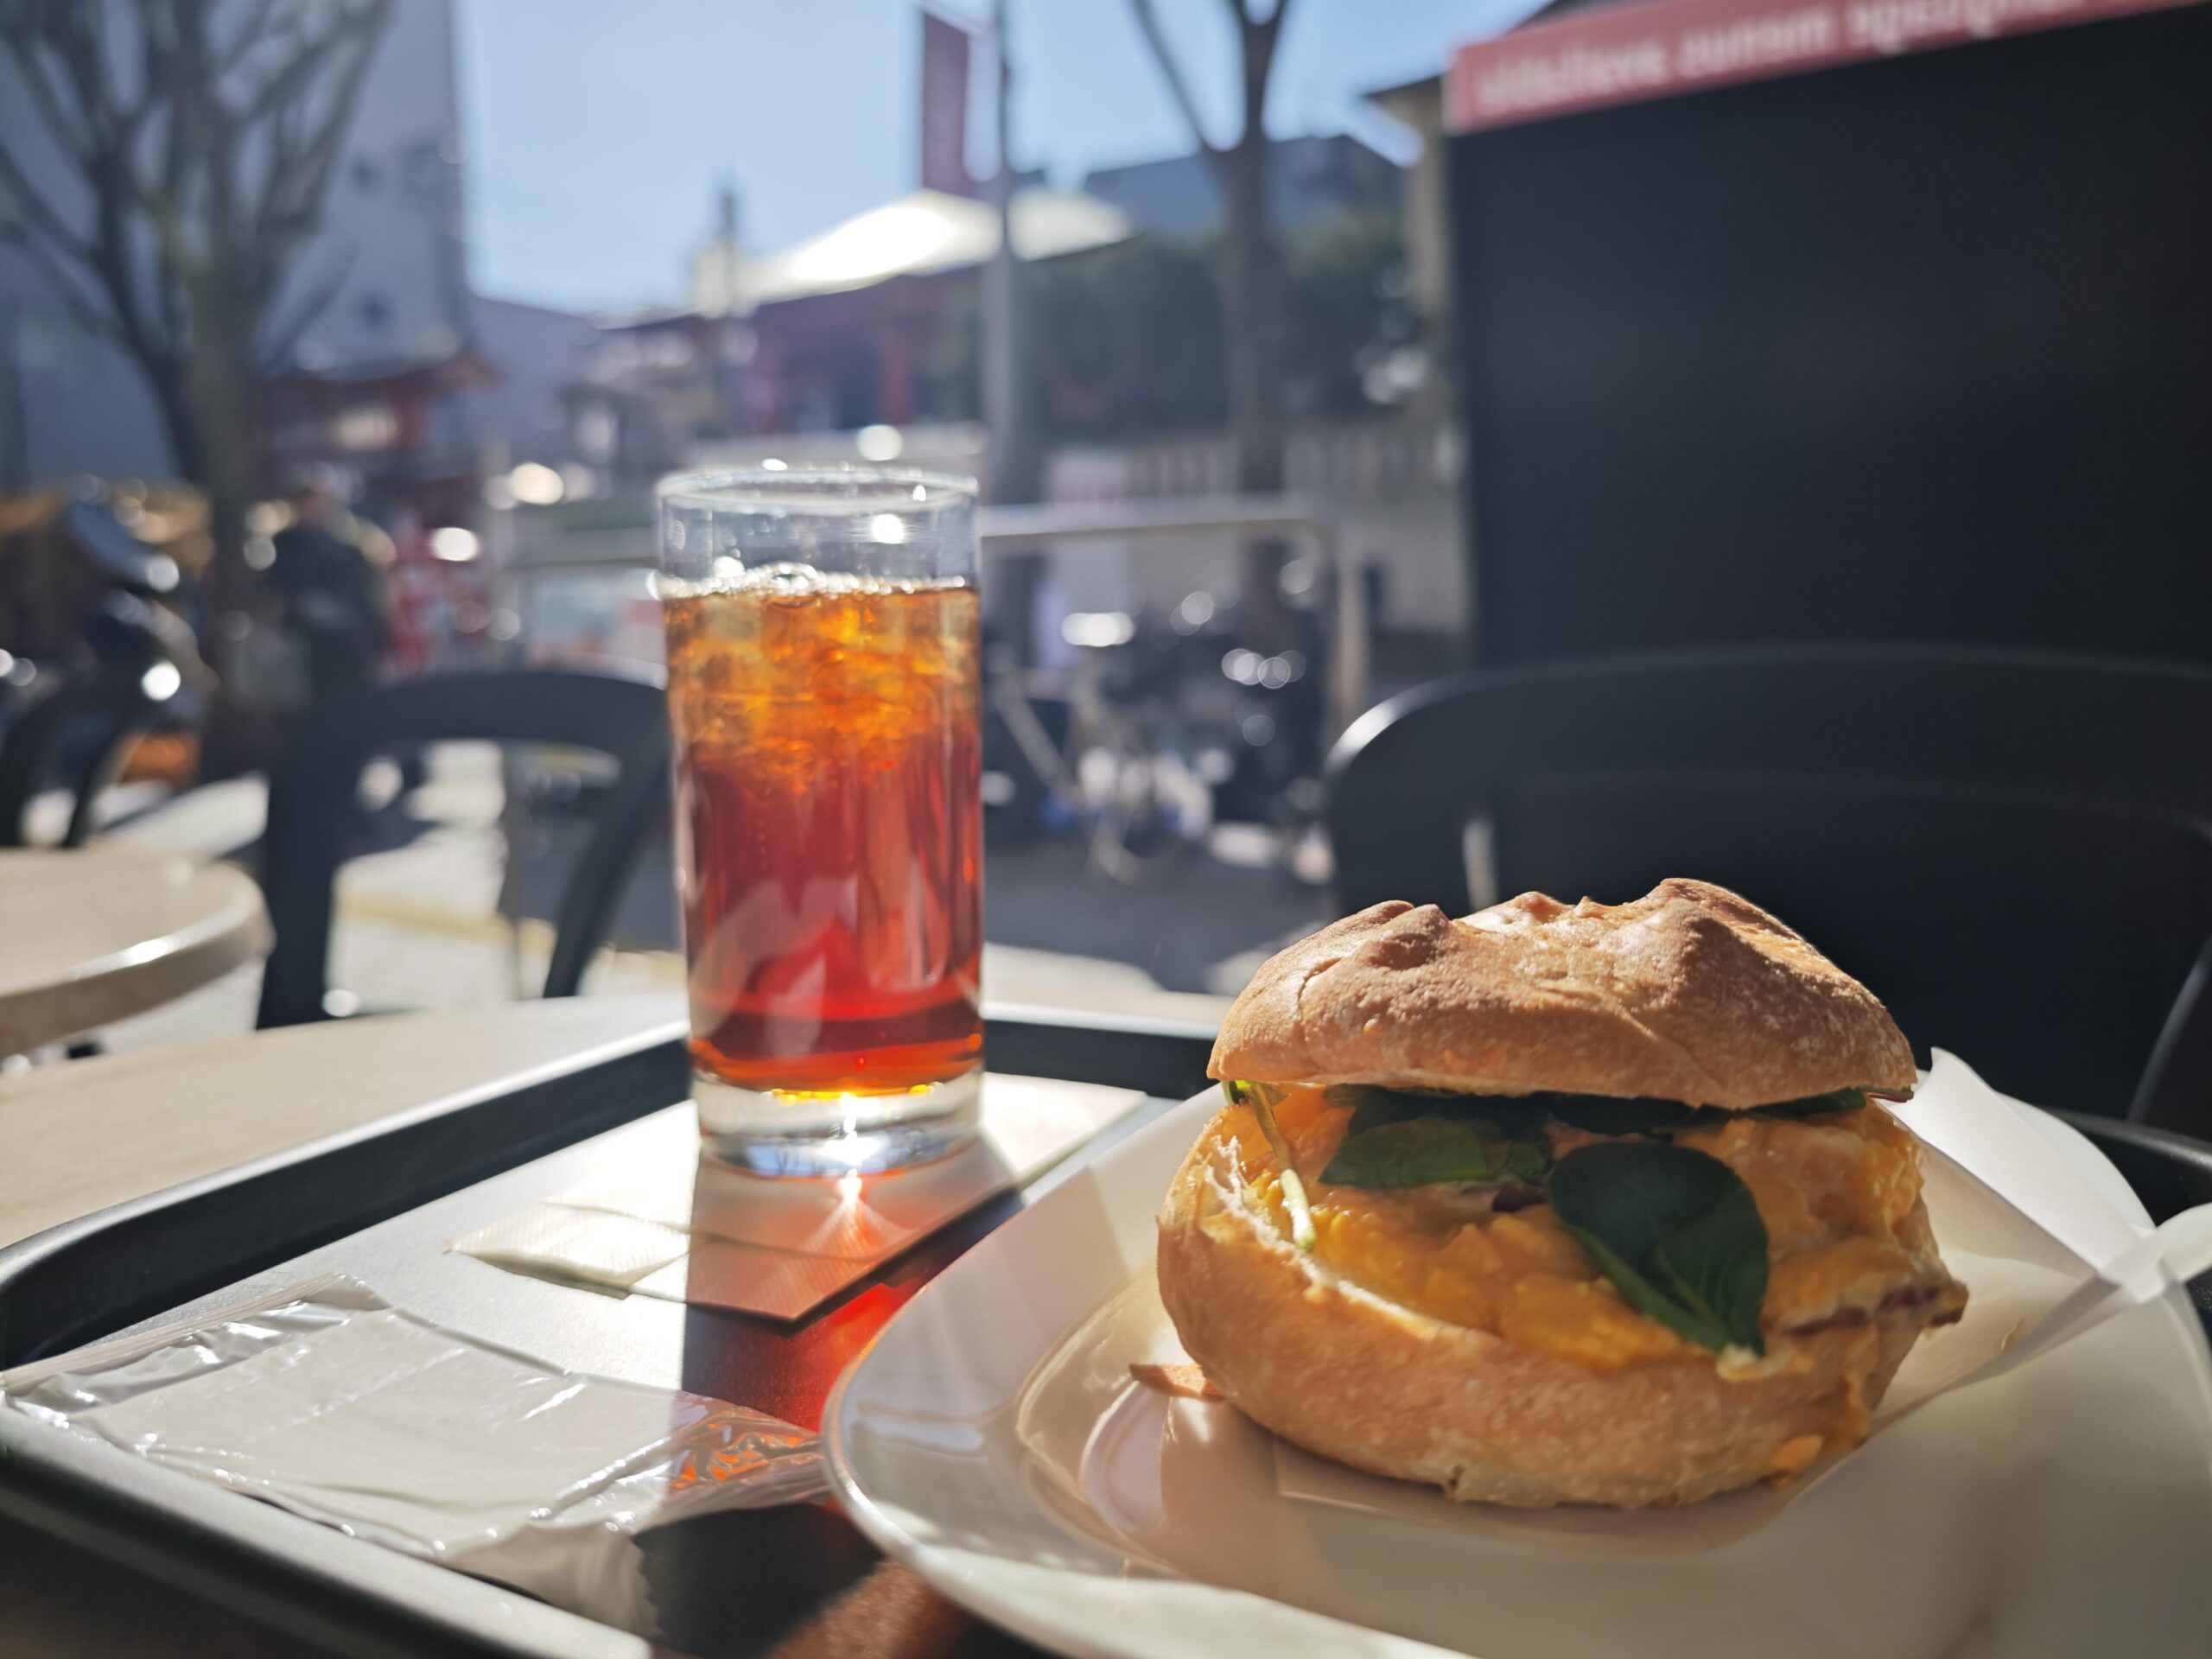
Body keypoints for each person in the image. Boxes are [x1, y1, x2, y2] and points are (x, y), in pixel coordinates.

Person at [266, 472, 393, 707]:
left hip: (352, 646)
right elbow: (290, 593)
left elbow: (365, 595)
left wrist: (378, 638)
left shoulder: (348, 543)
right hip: (312, 648)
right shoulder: (288, 545)